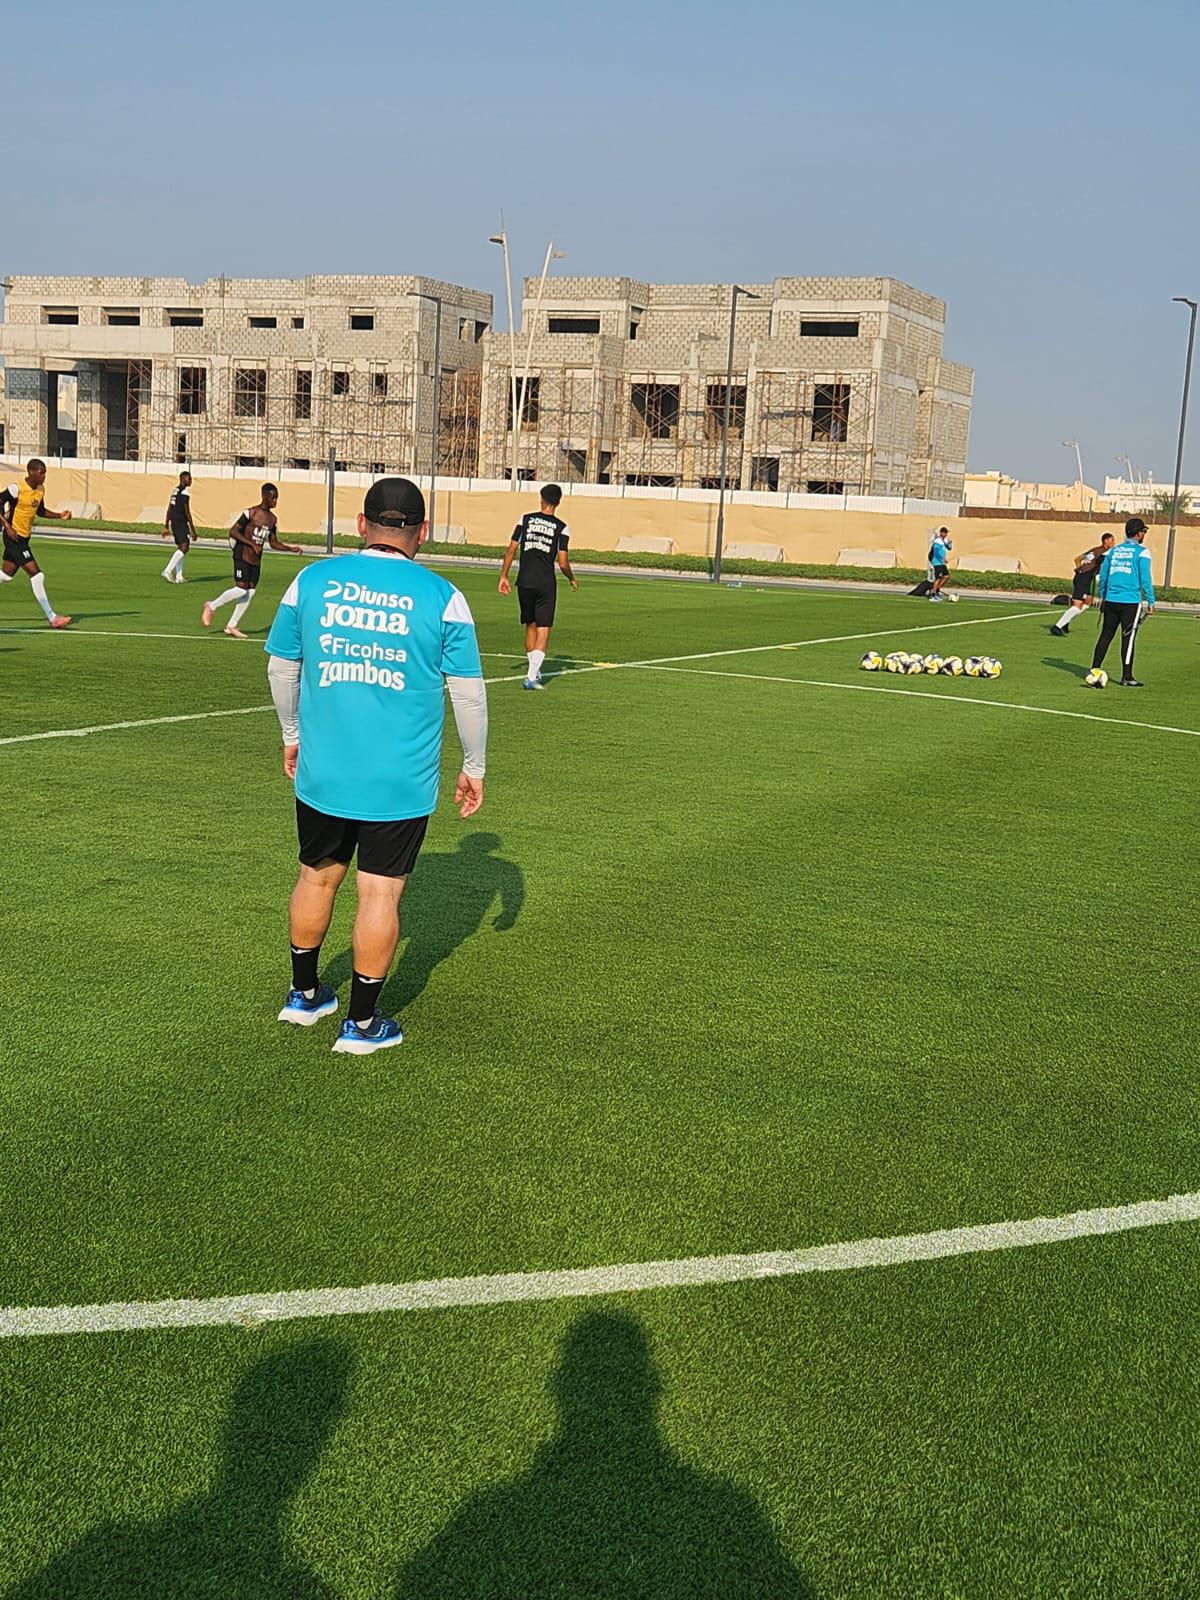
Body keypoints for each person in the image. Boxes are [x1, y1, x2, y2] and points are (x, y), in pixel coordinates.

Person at [265, 476, 488, 1054]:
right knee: (380, 895)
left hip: (324, 769)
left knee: (316, 876)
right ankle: (361, 1025)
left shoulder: (311, 580)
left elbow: (281, 668)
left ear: (362, 524)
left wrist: (292, 735)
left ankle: (304, 996)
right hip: (399, 778)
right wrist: (475, 764)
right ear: (423, 532)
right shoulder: (443, 596)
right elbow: (468, 693)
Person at [498, 483, 577, 688]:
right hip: (545, 583)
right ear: (558, 502)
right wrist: (571, 578)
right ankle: (531, 677)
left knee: (530, 625)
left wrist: (504, 576)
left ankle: (534, 671)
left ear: (542, 500)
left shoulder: (525, 520)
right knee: (544, 629)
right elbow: (562, 562)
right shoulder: (562, 527)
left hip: (524, 580)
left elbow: (511, 549)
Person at [201, 484, 301, 638]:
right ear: (264, 496)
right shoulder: (251, 513)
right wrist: (251, 544)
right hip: (242, 553)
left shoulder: (273, 520)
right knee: (241, 588)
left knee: (251, 591)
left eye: (277, 498)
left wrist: (290, 548)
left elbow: (273, 542)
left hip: (256, 559)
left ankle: (231, 625)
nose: (275, 501)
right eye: (273, 498)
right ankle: (212, 606)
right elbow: (233, 531)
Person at [0, 458, 73, 628]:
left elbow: (40, 511)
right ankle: (52, 617)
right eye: (41, 473)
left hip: (24, 538)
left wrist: (59, 515)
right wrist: (7, 527)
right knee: (37, 575)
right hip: (13, 538)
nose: (44, 476)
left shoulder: (40, 490)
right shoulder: (16, 488)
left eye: (45, 473)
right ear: (31, 472)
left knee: (6, 575)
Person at [1089, 516, 1155, 687]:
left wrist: (1103, 595)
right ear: (1139, 533)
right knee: (1128, 638)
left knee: (1106, 635)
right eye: (1143, 531)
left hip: (1111, 600)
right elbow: (1145, 578)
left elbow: (1103, 575)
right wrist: (1150, 600)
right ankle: (1127, 676)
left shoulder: (1113, 551)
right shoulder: (1142, 552)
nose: (1144, 534)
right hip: (1130, 602)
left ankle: (1094, 670)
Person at [1050, 530, 1115, 636]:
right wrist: (1083, 573)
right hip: (1083, 579)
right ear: (1106, 541)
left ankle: (1066, 621)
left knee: (1088, 602)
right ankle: (1057, 627)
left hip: (1085, 578)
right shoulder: (1102, 552)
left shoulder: (1095, 550)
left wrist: (1081, 570)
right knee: (1077, 606)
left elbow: (1077, 559)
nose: (1113, 543)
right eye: (1112, 540)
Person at [161, 469, 197, 583]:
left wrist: (166, 525)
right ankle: (167, 570)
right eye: (189, 478)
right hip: (181, 522)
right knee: (185, 547)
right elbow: (187, 512)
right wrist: (193, 530)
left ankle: (179, 576)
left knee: (181, 547)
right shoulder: (185, 493)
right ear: (183, 479)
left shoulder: (175, 491)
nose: (191, 480)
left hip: (174, 521)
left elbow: (169, 509)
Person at [927, 526, 953, 601]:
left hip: (941, 563)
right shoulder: (937, 541)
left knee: (946, 576)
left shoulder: (944, 541)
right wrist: (942, 559)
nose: (946, 534)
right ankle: (933, 595)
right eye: (944, 532)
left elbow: (949, 548)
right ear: (941, 533)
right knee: (938, 578)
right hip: (937, 562)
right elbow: (936, 552)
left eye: (946, 532)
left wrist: (949, 544)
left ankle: (937, 589)